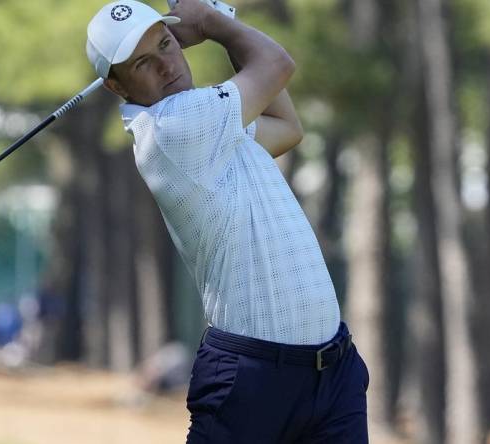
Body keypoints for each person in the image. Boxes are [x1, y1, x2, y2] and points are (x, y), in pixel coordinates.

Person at [86, 1, 369, 442]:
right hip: (252, 379)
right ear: (115, 86)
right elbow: (276, 64)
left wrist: (225, 26)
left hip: (333, 372)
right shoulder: (172, 129)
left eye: (166, 44)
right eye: (144, 62)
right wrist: (215, 22)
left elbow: (286, 126)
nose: (166, 65)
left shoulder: (212, 124)